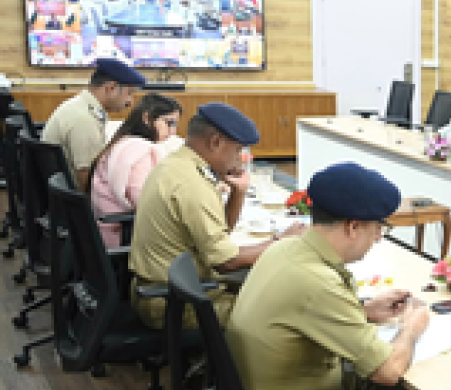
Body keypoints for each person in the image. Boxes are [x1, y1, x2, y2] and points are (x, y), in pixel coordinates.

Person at [226, 162, 447, 390]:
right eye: (378, 228)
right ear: (353, 227)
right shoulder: (318, 282)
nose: (378, 238)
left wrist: (364, 312)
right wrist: (411, 328)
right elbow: (387, 370)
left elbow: (302, 315)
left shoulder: (285, 249)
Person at [129, 102, 305, 329]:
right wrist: (283, 241)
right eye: (237, 150)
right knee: (287, 314)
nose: (239, 159)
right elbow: (225, 262)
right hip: (176, 303)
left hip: (173, 289)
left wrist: (238, 192)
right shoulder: (191, 183)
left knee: (267, 288)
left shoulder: (178, 164)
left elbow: (220, 235)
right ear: (215, 142)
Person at [88, 93, 184, 248]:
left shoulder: (122, 141)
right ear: (147, 118)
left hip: (105, 233)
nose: (173, 131)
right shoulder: (140, 152)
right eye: (169, 123)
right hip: (123, 236)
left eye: (175, 125)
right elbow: (147, 203)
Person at [41, 58, 145, 189]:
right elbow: (87, 182)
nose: (130, 101)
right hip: (74, 197)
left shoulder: (81, 106)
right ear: (111, 88)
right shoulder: (84, 120)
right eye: (129, 93)